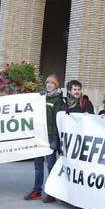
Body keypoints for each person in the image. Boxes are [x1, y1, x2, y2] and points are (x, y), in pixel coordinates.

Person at [28, 73, 63, 201]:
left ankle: (51, 192)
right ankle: (36, 190)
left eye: (52, 83)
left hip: (51, 137)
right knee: (38, 166)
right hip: (39, 136)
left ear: (56, 86)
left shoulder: (58, 100)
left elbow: (58, 120)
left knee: (51, 166)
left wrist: (56, 139)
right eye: (47, 82)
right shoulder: (40, 98)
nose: (49, 85)